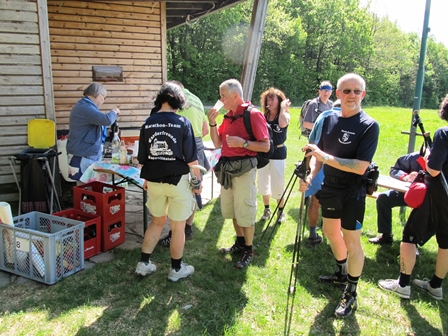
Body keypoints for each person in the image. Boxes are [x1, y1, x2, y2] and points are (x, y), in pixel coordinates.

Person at [299, 73, 379, 318]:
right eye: (346, 91)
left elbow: (360, 166)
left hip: (353, 190)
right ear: (338, 94)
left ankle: (351, 291)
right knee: (330, 232)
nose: (351, 95)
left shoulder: (368, 125)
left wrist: (326, 158)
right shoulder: (330, 120)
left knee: (352, 240)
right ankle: (341, 273)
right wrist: (311, 177)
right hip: (330, 186)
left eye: (356, 91)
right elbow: (318, 159)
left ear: (363, 94)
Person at [378, 94, 448, 301]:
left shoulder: (444, 133)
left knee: (409, 238)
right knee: (445, 243)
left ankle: (403, 284)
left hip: (435, 197)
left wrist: (428, 158)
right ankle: (436, 286)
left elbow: (434, 170)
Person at [135, 82, 203, 282]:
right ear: (179, 101)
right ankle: (176, 269)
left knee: (156, 222)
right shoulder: (182, 123)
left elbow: (143, 157)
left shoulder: (147, 123)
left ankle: (144, 263)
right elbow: (192, 158)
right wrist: (197, 183)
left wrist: (146, 178)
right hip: (178, 181)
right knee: (178, 226)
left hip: (154, 180)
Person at [207, 79, 270, 269]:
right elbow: (218, 143)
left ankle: (248, 250)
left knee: (245, 210)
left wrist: (243, 143)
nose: (221, 100)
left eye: (223, 96)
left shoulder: (254, 115)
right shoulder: (228, 116)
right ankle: (240, 243)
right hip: (227, 169)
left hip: (244, 170)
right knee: (233, 210)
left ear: (235, 96)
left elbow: (266, 146)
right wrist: (212, 123)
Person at [158, 80, 209, 246]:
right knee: (193, 187)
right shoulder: (197, 99)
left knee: (178, 188)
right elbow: (205, 130)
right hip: (198, 143)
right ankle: (188, 227)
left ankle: (174, 232)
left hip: (181, 145)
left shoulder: (177, 99)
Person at [304, 99, 341, 248]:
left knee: (315, 202)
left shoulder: (323, 116)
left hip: (319, 163)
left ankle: (313, 235)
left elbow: (311, 142)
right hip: (339, 167)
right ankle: (337, 239)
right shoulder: (352, 118)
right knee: (339, 206)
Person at [67, 82, 120, 181]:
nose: (103, 101)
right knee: (85, 187)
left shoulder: (85, 106)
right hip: (83, 155)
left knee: (87, 188)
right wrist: (114, 111)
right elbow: (106, 120)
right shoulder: (85, 107)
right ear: (99, 95)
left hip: (84, 154)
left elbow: (91, 128)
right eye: (104, 98)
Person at [368, 152, 424, 245]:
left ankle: (412, 242)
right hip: (406, 193)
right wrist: (406, 177)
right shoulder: (414, 157)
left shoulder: (440, 161)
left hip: (428, 198)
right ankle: (386, 235)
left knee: (421, 210)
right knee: (384, 198)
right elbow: (394, 170)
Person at [258, 87, 291, 224]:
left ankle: (280, 211)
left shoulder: (284, 115)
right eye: (268, 99)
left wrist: (283, 109)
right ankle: (267, 209)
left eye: (273, 99)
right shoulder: (263, 116)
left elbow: (282, 123)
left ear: (280, 101)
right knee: (263, 182)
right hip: (264, 153)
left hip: (278, 153)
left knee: (277, 183)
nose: (269, 102)